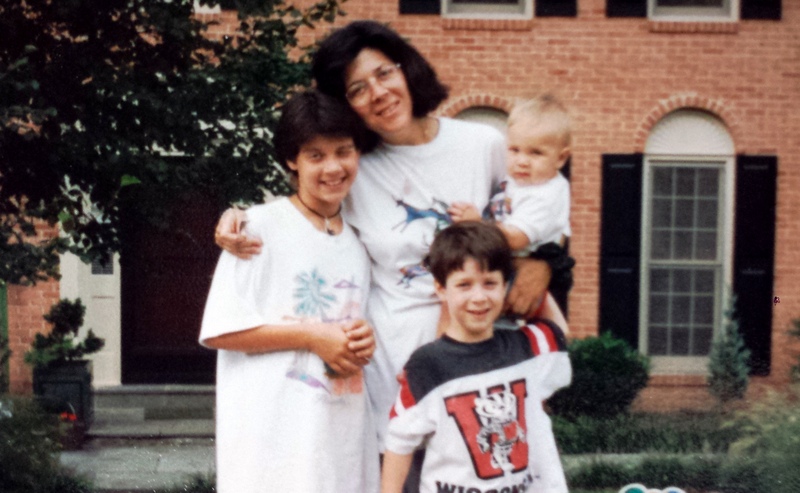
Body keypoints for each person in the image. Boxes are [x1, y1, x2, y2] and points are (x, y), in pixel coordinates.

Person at [214, 20, 557, 455]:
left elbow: (541, 217)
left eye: (383, 73)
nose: (377, 93)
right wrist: (238, 217)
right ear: (345, 105)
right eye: (357, 89)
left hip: (482, 370)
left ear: (406, 69)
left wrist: (544, 261)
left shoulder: (482, 145)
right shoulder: (353, 166)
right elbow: (300, 207)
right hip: (393, 377)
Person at [199, 90, 380, 493]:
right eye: (315, 155)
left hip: (341, 441)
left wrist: (366, 339)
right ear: (291, 160)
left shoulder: (358, 241)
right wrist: (313, 336)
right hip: (273, 448)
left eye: (343, 151)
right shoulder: (255, 230)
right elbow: (220, 331)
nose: (333, 167)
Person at [381, 221, 571, 493]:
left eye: (490, 283)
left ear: (506, 284)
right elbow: (399, 441)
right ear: (441, 289)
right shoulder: (427, 365)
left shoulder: (528, 347)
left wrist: (537, 269)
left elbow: (562, 333)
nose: (479, 297)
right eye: (464, 284)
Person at [449, 94, 574, 311]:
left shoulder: (546, 194)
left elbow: (516, 239)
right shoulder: (520, 182)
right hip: (505, 268)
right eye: (514, 150)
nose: (522, 161)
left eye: (536, 153)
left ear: (561, 158)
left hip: (521, 275)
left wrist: (476, 223)